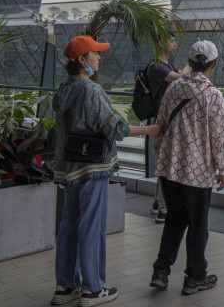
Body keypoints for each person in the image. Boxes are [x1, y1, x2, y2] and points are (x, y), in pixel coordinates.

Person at [50, 35, 160, 307]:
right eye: (95, 54)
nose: (99, 58)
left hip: (69, 168)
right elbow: (115, 128)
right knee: (91, 227)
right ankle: (92, 288)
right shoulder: (91, 91)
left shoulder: (64, 89)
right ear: (81, 60)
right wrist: (149, 129)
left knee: (69, 227)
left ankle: (65, 286)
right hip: (92, 167)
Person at [149, 40, 224, 296]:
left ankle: (160, 273)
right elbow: (219, 136)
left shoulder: (173, 88)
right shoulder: (212, 95)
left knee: (174, 219)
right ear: (212, 64)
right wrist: (222, 168)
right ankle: (195, 277)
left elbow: (160, 126)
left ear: (191, 61)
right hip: (197, 172)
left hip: (169, 167)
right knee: (198, 225)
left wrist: (162, 156)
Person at [147, 36, 183, 224]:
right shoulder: (156, 66)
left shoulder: (167, 64)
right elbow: (178, 78)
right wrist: (192, 65)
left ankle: (156, 203)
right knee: (165, 163)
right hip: (162, 121)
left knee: (164, 162)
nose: (175, 44)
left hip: (167, 120)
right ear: (160, 42)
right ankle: (163, 208)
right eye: (171, 41)